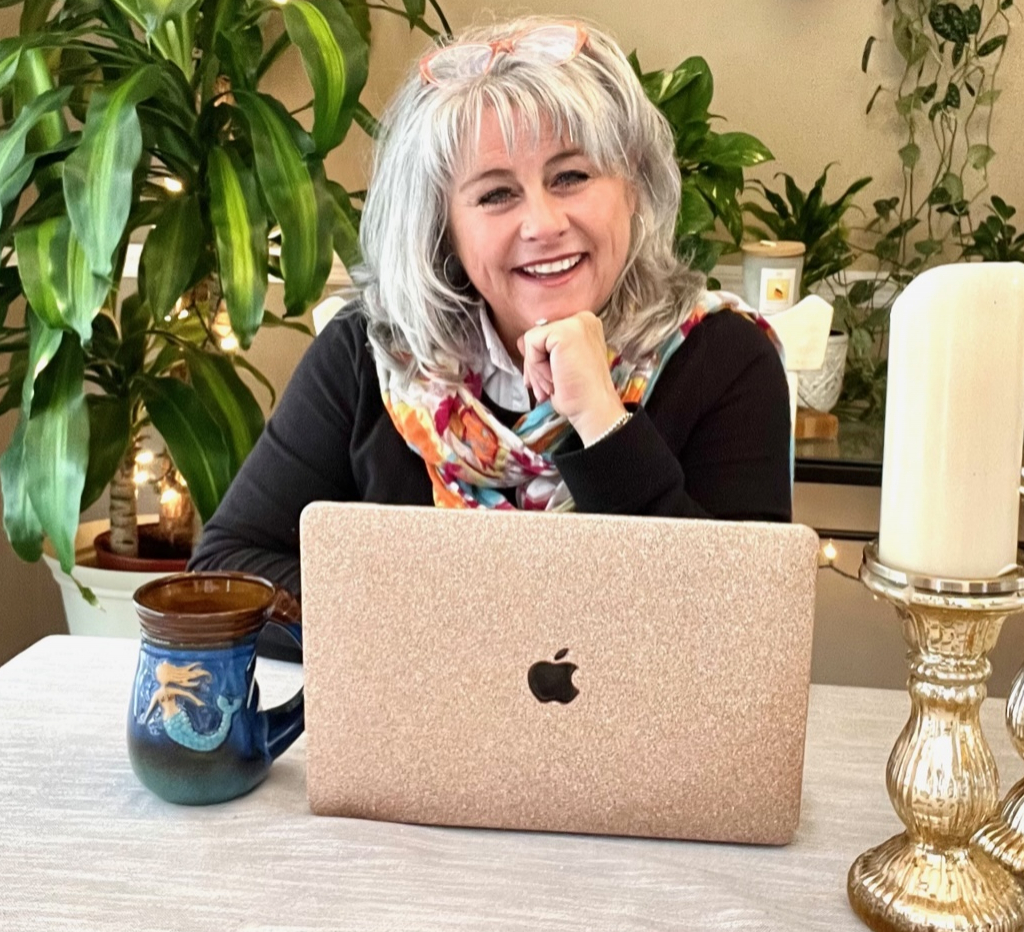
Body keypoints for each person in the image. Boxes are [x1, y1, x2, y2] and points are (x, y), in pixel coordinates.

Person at [189, 16, 792, 657]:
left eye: (571, 177)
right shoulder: (372, 355)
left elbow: (744, 639)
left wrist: (603, 423)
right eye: (497, 194)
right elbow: (227, 571)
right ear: (443, 227)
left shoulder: (726, 358)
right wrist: (465, 634)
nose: (543, 224)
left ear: (634, 188)